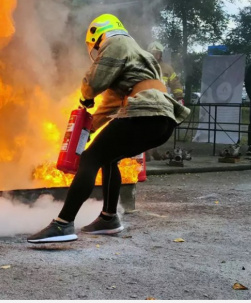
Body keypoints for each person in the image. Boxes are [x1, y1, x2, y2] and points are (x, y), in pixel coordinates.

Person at [27, 14, 191, 243]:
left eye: (96, 46)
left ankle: (63, 224)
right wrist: (88, 127)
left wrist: (86, 98)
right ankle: (109, 218)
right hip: (162, 121)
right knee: (108, 158)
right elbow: (112, 104)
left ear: (98, 35)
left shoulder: (116, 42)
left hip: (143, 115)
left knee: (90, 159)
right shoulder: (141, 55)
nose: (97, 50)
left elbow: (94, 81)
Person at [145, 41, 185, 161]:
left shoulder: (167, 68)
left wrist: (179, 98)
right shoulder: (144, 66)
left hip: (162, 102)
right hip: (147, 101)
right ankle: (147, 152)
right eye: (152, 53)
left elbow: (175, 83)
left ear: (161, 54)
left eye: (157, 53)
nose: (155, 55)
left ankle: (153, 150)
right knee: (147, 128)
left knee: (159, 129)